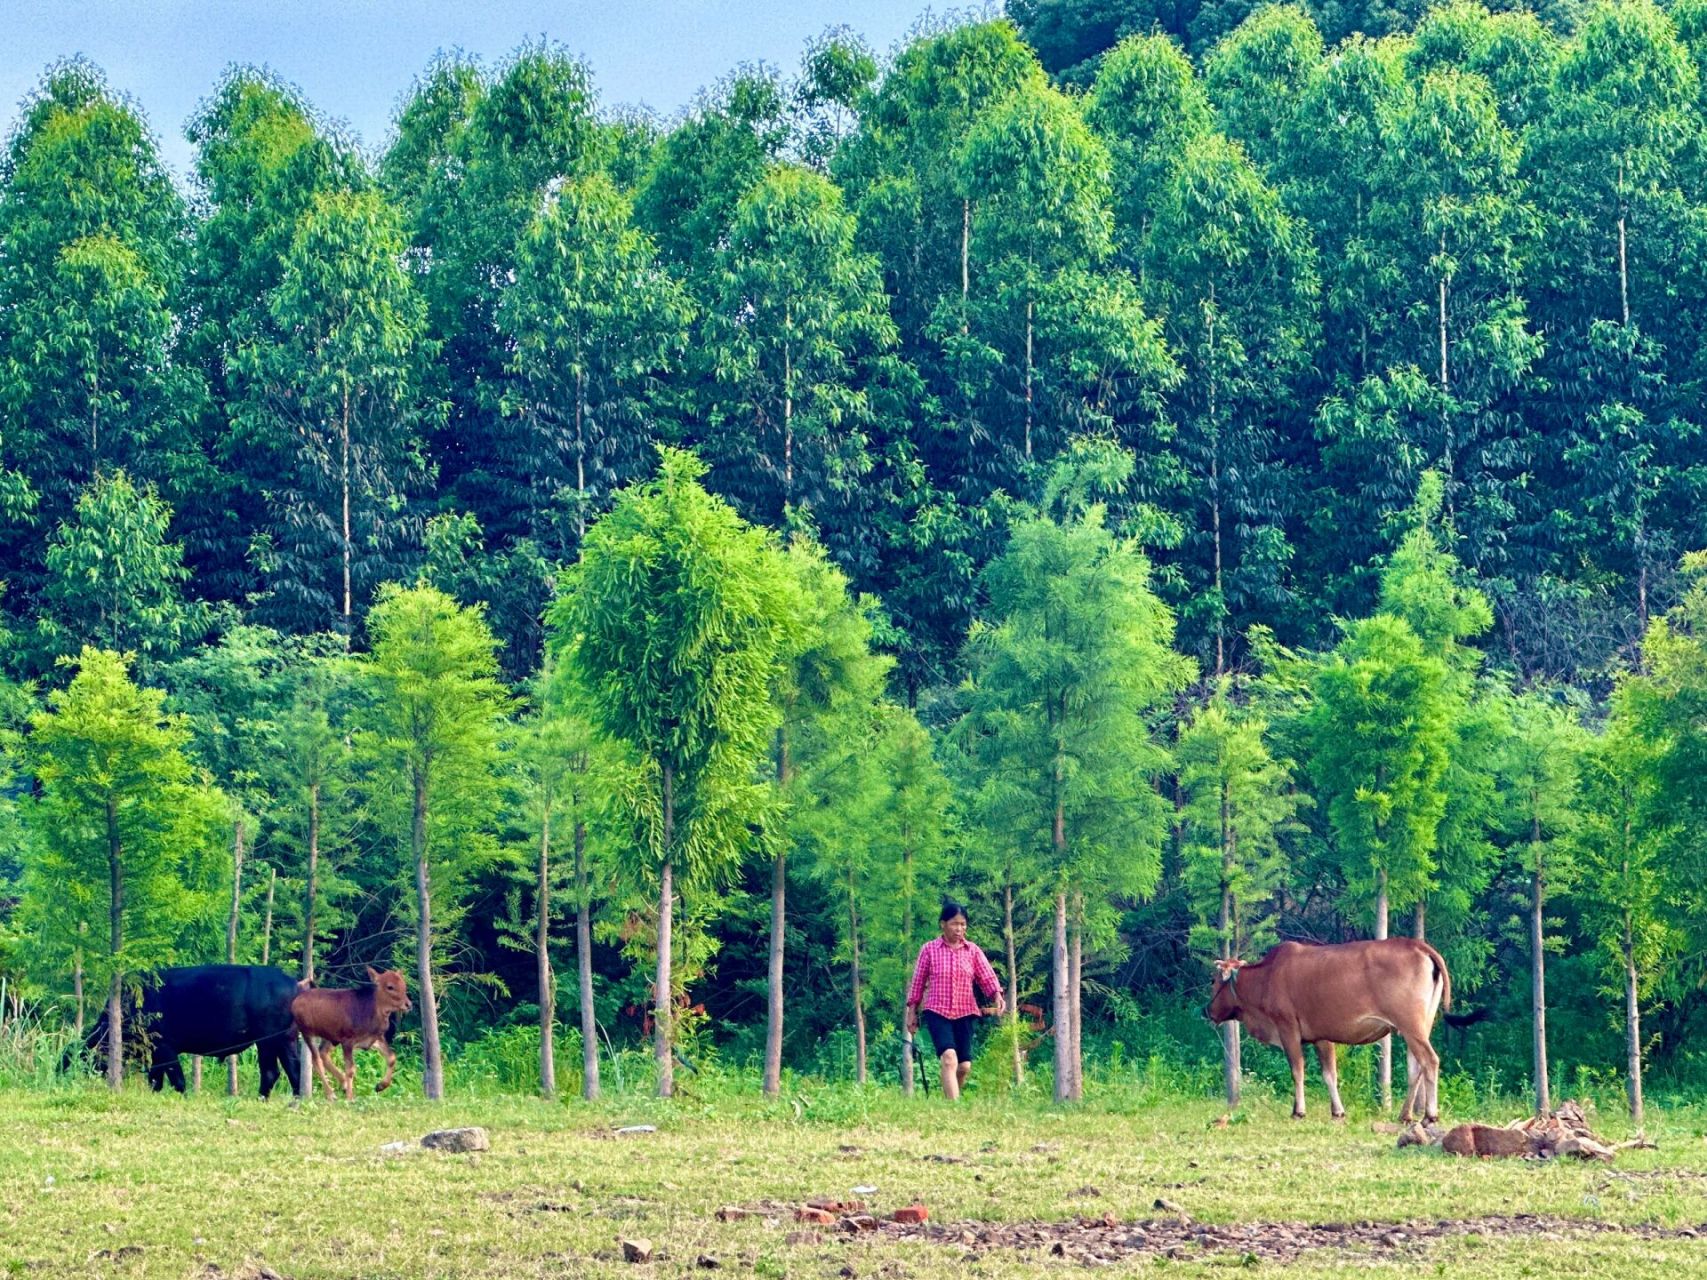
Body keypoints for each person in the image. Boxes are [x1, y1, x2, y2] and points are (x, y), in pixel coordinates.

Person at [904, 899, 1006, 1100]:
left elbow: (986, 976)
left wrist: (996, 995)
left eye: (963, 924)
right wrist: (912, 1011)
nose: (959, 929)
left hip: (965, 1011)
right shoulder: (929, 950)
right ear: (943, 924)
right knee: (949, 1058)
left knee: (964, 1066)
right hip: (937, 1011)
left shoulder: (973, 951)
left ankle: (949, 1098)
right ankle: (955, 1108)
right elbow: (917, 982)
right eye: (954, 923)